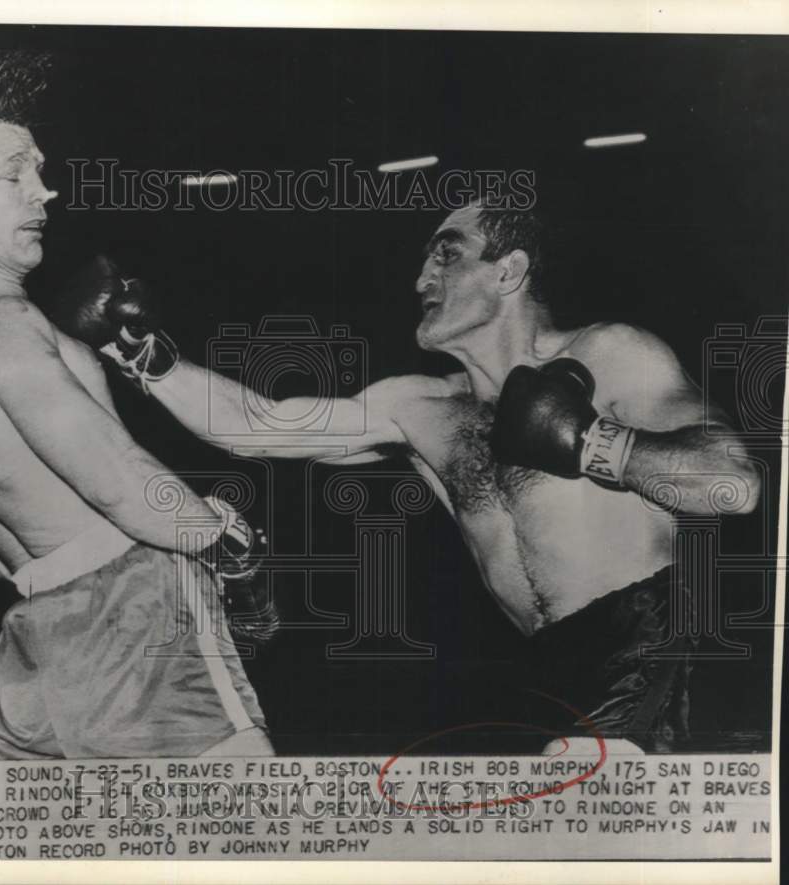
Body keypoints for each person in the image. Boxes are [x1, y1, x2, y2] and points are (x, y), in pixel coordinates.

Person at [59, 200, 761, 754]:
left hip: (650, 637)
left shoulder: (609, 352)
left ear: (509, 270)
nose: (420, 279)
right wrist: (143, 356)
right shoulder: (421, 408)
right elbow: (261, 425)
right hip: (546, 670)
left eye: (445, 256)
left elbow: (736, 483)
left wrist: (597, 442)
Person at [0, 52, 272, 759]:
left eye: (38, 169)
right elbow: (122, 481)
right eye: (15, 175)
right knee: (248, 844)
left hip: (37, 639)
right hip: (136, 616)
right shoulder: (6, 326)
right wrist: (230, 541)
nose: (45, 192)